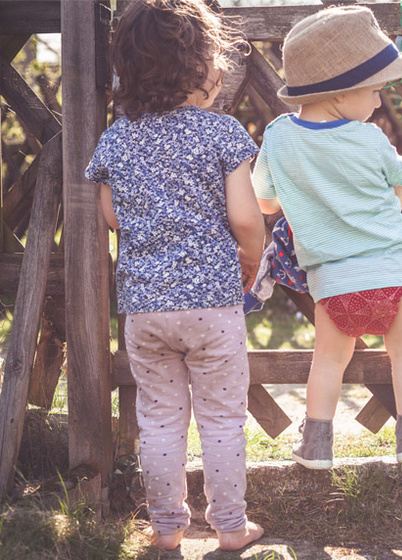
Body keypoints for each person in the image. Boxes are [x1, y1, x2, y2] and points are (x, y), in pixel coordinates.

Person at [84, 0, 265, 551]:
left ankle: (167, 529)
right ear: (193, 68)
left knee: (159, 418)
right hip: (212, 303)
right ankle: (230, 528)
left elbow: (110, 216)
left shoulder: (117, 139)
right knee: (221, 418)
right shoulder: (222, 134)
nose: (220, 67)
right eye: (213, 57)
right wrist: (250, 258)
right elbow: (244, 217)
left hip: (145, 308)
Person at [252, 5, 402, 470]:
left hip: (333, 278)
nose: (378, 102)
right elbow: (401, 180)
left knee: (327, 363)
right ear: (339, 94)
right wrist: (384, 211)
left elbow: (267, 204)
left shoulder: (276, 137)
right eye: (374, 91)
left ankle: (316, 447)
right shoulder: (369, 138)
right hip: (393, 270)